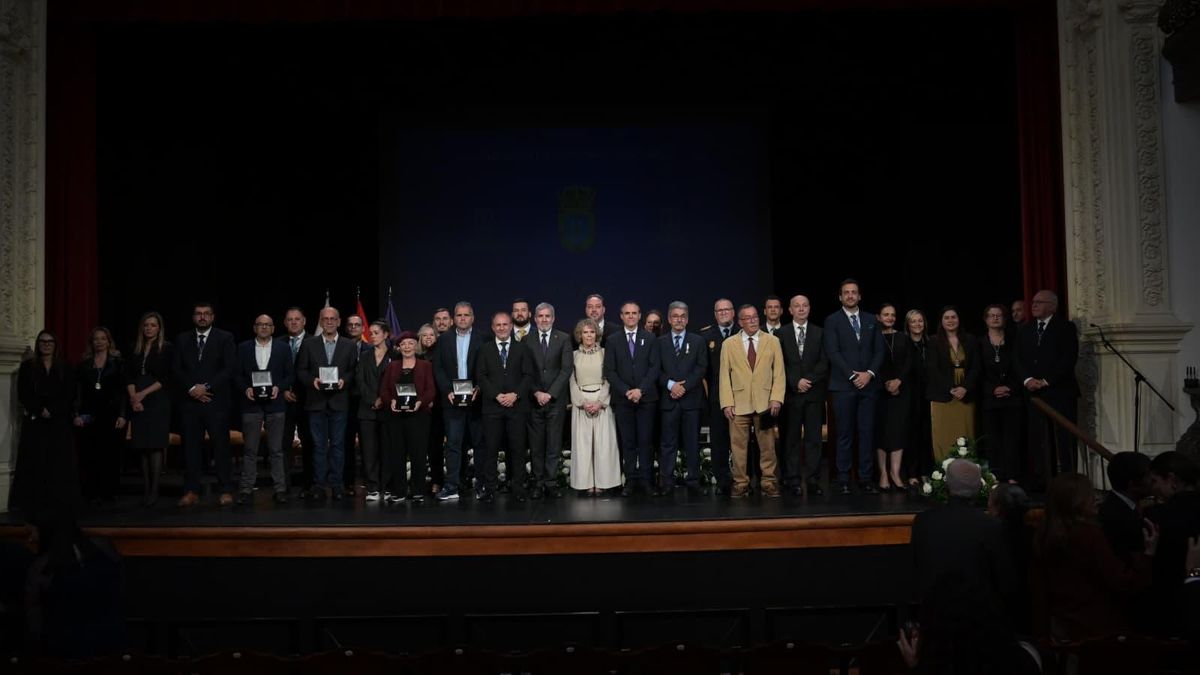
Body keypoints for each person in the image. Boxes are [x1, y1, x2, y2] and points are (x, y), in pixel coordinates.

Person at [907, 460, 1027, 674]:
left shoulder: (924, 522)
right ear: (979, 489)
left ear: (946, 486)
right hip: (981, 631)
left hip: (936, 628)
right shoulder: (991, 527)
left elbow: (915, 572)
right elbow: (1006, 582)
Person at [1033, 472, 1156, 641]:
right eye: (1090, 495)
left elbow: (1039, 587)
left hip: (1061, 626)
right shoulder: (1088, 535)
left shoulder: (1044, 535)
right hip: (1097, 626)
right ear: (1077, 501)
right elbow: (1121, 581)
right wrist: (1147, 556)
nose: (1096, 499)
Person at [172, 302, 237, 507]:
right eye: (198, 314)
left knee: (221, 447)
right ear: (193, 317)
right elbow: (176, 369)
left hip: (215, 402)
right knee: (191, 449)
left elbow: (229, 369)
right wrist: (192, 389)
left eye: (206, 314)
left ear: (212, 317)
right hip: (190, 403)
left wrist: (206, 387)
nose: (202, 317)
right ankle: (191, 490)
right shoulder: (182, 339)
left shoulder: (225, 338)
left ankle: (225, 489)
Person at [10, 331, 80, 521]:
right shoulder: (27, 367)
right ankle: (34, 503)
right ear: (38, 344)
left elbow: (69, 394)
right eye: (42, 342)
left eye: (50, 342)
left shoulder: (65, 367)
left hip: (58, 421)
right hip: (36, 420)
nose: (46, 345)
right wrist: (40, 409)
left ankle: (58, 502)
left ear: (55, 345)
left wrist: (54, 410)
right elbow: (23, 394)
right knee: (35, 461)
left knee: (58, 462)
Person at [824, 279, 885, 495]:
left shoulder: (871, 320)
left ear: (859, 296)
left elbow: (879, 351)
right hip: (843, 386)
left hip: (869, 386)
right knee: (844, 433)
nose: (850, 296)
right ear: (840, 297)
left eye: (854, 292)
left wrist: (868, 374)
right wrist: (852, 375)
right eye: (846, 293)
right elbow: (833, 353)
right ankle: (843, 478)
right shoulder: (832, 321)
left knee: (867, 433)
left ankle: (866, 478)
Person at [718, 305, 785, 498]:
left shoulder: (772, 341)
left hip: (765, 404)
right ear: (740, 322)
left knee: (768, 446)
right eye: (748, 318)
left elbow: (779, 374)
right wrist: (727, 402)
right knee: (738, 447)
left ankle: (768, 482)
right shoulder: (729, 344)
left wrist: (776, 398)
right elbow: (724, 376)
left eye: (755, 317)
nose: (753, 320)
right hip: (738, 404)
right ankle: (740, 483)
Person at [1015, 290, 1079, 489]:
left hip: (1059, 392)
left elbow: (1068, 359)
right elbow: (1017, 358)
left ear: (1052, 306)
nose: (1034, 305)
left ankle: (1067, 481)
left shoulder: (1066, 328)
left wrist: (1045, 381)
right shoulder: (1025, 329)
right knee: (1038, 439)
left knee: (1063, 438)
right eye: (1033, 302)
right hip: (1033, 394)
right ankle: (1041, 480)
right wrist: (1027, 380)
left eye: (1039, 302)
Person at [295, 306, 359, 502]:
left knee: (339, 446)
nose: (329, 322)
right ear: (321, 322)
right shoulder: (309, 344)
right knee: (318, 446)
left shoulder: (349, 345)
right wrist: (311, 381)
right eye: (325, 319)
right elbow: (301, 370)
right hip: (316, 402)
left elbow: (352, 370)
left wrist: (344, 381)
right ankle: (319, 485)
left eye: (333, 319)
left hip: (339, 402)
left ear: (339, 322)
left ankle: (337, 485)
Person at [233, 314, 294, 505]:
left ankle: (280, 489)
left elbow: (290, 375)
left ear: (274, 328)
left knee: (276, 450)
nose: (264, 327)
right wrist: (246, 388)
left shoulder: (283, 348)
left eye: (268, 324)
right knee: (250, 450)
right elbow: (236, 374)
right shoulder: (243, 348)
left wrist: (280, 387)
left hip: (275, 404)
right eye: (260, 324)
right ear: (254, 328)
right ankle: (246, 489)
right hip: (251, 405)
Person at [476, 312, 536, 503]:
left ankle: (518, 488)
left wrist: (515, 395)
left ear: (511, 326)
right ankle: (490, 489)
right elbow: (481, 376)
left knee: (517, 449)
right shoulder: (484, 349)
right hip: (492, 407)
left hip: (516, 407)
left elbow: (528, 376)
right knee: (491, 450)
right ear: (493, 327)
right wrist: (496, 395)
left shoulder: (522, 349)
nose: (502, 328)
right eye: (498, 325)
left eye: (505, 324)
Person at [604, 302, 661, 497]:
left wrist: (640, 390)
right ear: (621, 316)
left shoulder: (650, 337)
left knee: (645, 441)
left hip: (646, 399)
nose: (630, 316)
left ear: (639, 316)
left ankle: (646, 481)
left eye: (634, 313)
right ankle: (630, 480)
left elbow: (655, 368)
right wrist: (627, 391)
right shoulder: (613, 340)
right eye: (626, 313)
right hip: (623, 400)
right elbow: (609, 371)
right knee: (627, 442)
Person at [432, 301, 486, 501]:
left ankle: (481, 485)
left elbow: (486, 368)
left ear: (473, 318)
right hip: (452, 401)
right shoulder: (444, 340)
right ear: (454, 319)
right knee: (453, 445)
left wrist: (479, 388)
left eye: (466, 315)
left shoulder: (483, 339)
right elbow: (438, 368)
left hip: (476, 401)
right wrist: (447, 390)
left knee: (480, 445)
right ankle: (452, 486)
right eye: (459, 315)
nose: (462, 318)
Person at [1145, 451, 1200, 636]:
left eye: (1155, 481)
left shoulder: (1157, 517)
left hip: (1171, 609)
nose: (1152, 489)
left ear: (1172, 479)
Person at [656, 302, 708, 496]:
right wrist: (671, 385)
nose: (679, 319)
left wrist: (684, 387)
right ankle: (667, 482)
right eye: (675, 316)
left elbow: (701, 368)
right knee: (668, 443)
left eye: (683, 316)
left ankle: (693, 480)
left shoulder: (697, 341)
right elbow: (655, 370)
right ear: (669, 319)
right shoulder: (659, 342)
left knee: (692, 442)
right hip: (669, 401)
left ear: (687, 319)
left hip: (691, 401)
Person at [779, 294, 828, 497]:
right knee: (790, 440)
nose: (801, 309)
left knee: (813, 439)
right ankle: (792, 480)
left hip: (813, 394)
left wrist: (808, 380)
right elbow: (779, 363)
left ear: (809, 308)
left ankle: (813, 480)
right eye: (796, 306)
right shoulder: (781, 334)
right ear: (789, 310)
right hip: (791, 395)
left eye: (804, 305)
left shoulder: (819, 332)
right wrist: (795, 381)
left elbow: (824, 361)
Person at [379, 331, 436, 503]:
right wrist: (391, 402)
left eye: (411, 343)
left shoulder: (425, 365)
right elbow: (384, 390)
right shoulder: (392, 366)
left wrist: (421, 402)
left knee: (418, 453)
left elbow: (430, 390)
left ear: (416, 345)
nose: (407, 347)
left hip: (419, 417)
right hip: (396, 417)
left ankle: (418, 490)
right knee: (397, 454)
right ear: (398, 347)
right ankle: (399, 491)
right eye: (403, 344)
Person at [73, 327, 127, 507]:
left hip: (111, 414)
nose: (99, 342)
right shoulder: (83, 364)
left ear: (108, 341)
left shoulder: (117, 362)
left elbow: (122, 391)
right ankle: (91, 492)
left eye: (103, 339)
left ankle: (109, 492)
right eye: (96, 339)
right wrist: (77, 414)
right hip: (89, 414)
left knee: (110, 454)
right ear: (91, 342)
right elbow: (78, 392)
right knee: (90, 453)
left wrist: (122, 414)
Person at [125, 312, 173, 506]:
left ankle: (154, 490)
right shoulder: (134, 348)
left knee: (154, 445)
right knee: (142, 445)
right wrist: (134, 398)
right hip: (137, 399)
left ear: (159, 328)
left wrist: (143, 394)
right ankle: (146, 489)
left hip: (157, 398)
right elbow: (127, 375)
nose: (149, 329)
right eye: (146, 325)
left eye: (153, 325)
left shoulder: (166, 348)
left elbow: (167, 378)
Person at [527, 302, 573, 499]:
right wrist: (537, 392)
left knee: (554, 445)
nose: (544, 319)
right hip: (533, 401)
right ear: (535, 318)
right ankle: (538, 483)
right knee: (536, 446)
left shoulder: (563, 338)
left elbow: (566, 369)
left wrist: (550, 393)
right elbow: (524, 372)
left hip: (555, 401)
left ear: (553, 319)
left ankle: (551, 483)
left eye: (548, 316)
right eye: (540, 316)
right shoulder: (525, 340)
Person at [569, 319, 620, 495]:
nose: (588, 335)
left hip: (601, 403)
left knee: (603, 446)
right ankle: (585, 484)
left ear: (596, 334)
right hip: (581, 404)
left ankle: (603, 483)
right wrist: (582, 402)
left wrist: (600, 402)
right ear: (579, 335)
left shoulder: (606, 353)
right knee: (583, 447)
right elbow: (572, 381)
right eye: (585, 332)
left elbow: (610, 379)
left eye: (591, 332)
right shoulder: (573, 355)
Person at [926, 306, 979, 463]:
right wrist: (951, 388)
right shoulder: (934, 341)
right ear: (941, 322)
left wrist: (965, 387)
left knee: (966, 435)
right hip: (942, 396)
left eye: (953, 317)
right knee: (943, 436)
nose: (950, 320)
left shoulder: (970, 340)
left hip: (965, 395)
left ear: (959, 319)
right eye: (946, 318)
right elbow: (932, 369)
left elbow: (977, 367)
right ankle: (944, 474)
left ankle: (967, 473)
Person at [979, 304, 1023, 483]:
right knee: (992, 439)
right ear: (986, 320)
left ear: (1004, 319)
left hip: (1012, 397)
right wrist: (992, 389)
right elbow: (977, 371)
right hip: (990, 399)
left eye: (999, 315)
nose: (995, 318)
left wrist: (1010, 387)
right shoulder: (979, 343)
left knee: (1012, 438)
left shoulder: (1015, 340)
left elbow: (1020, 367)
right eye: (991, 315)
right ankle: (994, 474)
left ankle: (1012, 474)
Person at [700, 298, 738, 495]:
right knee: (719, 440)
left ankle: (743, 479)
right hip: (717, 397)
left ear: (733, 312)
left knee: (741, 441)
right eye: (719, 310)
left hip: (742, 396)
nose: (723, 313)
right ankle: (723, 480)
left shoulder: (743, 332)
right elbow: (704, 372)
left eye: (727, 309)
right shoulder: (706, 336)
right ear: (715, 314)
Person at [278, 307, 315, 498]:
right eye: (290, 319)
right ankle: (283, 486)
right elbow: (273, 372)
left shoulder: (315, 342)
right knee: (282, 445)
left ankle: (308, 485)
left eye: (297, 319)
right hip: (282, 402)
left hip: (308, 401)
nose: (293, 322)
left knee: (309, 444)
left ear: (304, 321)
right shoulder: (277, 343)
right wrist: (282, 390)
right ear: (285, 322)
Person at [988, 482, 1034, 634]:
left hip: (1001, 615)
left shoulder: (990, 539)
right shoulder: (1035, 535)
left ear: (997, 508)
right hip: (1032, 609)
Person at [874, 303, 911, 492]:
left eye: (893, 315)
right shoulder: (873, 337)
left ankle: (895, 473)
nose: (889, 317)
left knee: (898, 431)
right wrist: (886, 384)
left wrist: (898, 381)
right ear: (878, 317)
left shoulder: (903, 337)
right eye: (886, 314)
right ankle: (883, 473)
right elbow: (870, 363)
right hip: (879, 391)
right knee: (881, 432)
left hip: (901, 391)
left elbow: (909, 363)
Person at [355, 320, 393, 501]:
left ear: (386, 334)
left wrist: (383, 400)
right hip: (367, 410)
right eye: (371, 333)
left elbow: (395, 382)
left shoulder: (395, 355)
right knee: (369, 451)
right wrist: (372, 399)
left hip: (387, 410)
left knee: (387, 449)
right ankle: (372, 487)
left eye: (376, 332)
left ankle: (386, 486)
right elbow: (360, 381)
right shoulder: (364, 355)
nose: (373, 335)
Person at [1098, 451, 1153, 563]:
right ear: (1132, 484)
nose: (1153, 480)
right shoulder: (1118, 517)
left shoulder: (1120, 505)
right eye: (1148, 476)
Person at [903, 309, 934, 490]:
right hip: (908, 394)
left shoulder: (931, 343)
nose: (917, 324)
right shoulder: (903, 343)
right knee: (911, 434)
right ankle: (912, 473)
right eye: (913, 321)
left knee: (926, 433)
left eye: (920, 321)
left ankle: (926, 471)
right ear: (907, 324)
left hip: (928, 394)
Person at [415, 323, 444, 494]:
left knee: (435, 448)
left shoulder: (440, 355)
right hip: (418, 408)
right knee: (418, 447)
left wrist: (432, 400)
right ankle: (418, 481)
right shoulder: (414, 356)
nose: (428, 338)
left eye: (431, 335)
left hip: (437, 408)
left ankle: (437, 481)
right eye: (424, 335)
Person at [342, 314, 368, 493]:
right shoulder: (340, 347)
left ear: (363, 328)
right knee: (346, 444)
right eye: (350, 325)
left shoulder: (371, 348)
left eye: (357, 325)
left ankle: (369, 482)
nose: (353, 327)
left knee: (368, 444)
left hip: (365, 401)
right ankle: (348, 482)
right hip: (344, 401)